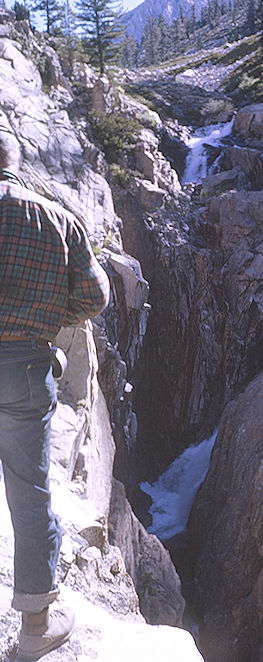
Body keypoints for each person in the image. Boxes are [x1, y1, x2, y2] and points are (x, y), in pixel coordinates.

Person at [0, 123, 110, 660]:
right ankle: (36, 625)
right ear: (15, 160)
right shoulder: (55, 218)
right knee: (29, 492)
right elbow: (96, 297)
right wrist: (46, 316)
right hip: (24, 365)